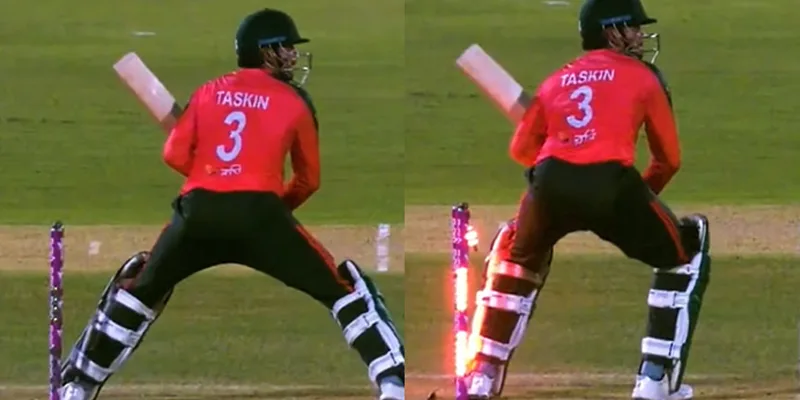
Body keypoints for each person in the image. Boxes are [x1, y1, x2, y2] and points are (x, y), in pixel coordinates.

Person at [58, 9, 404, 400]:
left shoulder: (207, 91)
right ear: (266, 51)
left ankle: (78, 387)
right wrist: (273, 213)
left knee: (138, 290)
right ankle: (392, 383)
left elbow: (174, 154)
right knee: (343, 289)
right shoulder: (296, 101)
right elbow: (309, 180)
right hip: (262, 215)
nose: (293, 55)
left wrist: (216, 175)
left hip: (198, 212)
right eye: (287, 47)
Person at [463, 1, 711, 399]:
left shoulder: (555, 81)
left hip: (549, 182)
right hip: (612, 185)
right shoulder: (644, 76)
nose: (639, 35)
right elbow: (669, 161)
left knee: (514, 255)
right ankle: (654, 380)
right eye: (632, 27)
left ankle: (482, 377)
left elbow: (521, 149)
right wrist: (637, 204)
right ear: (612, 31)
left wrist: (564, 161)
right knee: (686, 249)